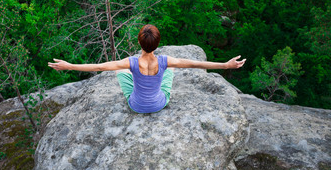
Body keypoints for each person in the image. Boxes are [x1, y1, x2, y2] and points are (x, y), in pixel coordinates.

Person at [48, 24, 246, 113]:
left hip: (136, 106)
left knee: (118, 71)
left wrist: (69, 66)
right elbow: (196, 64)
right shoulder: (165, 60)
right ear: (158, 43)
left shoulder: (132, 62)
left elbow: (99, 66)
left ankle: (139, 95)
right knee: (171, 70)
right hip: (160, 104)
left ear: (139, 42)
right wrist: (225, 65)